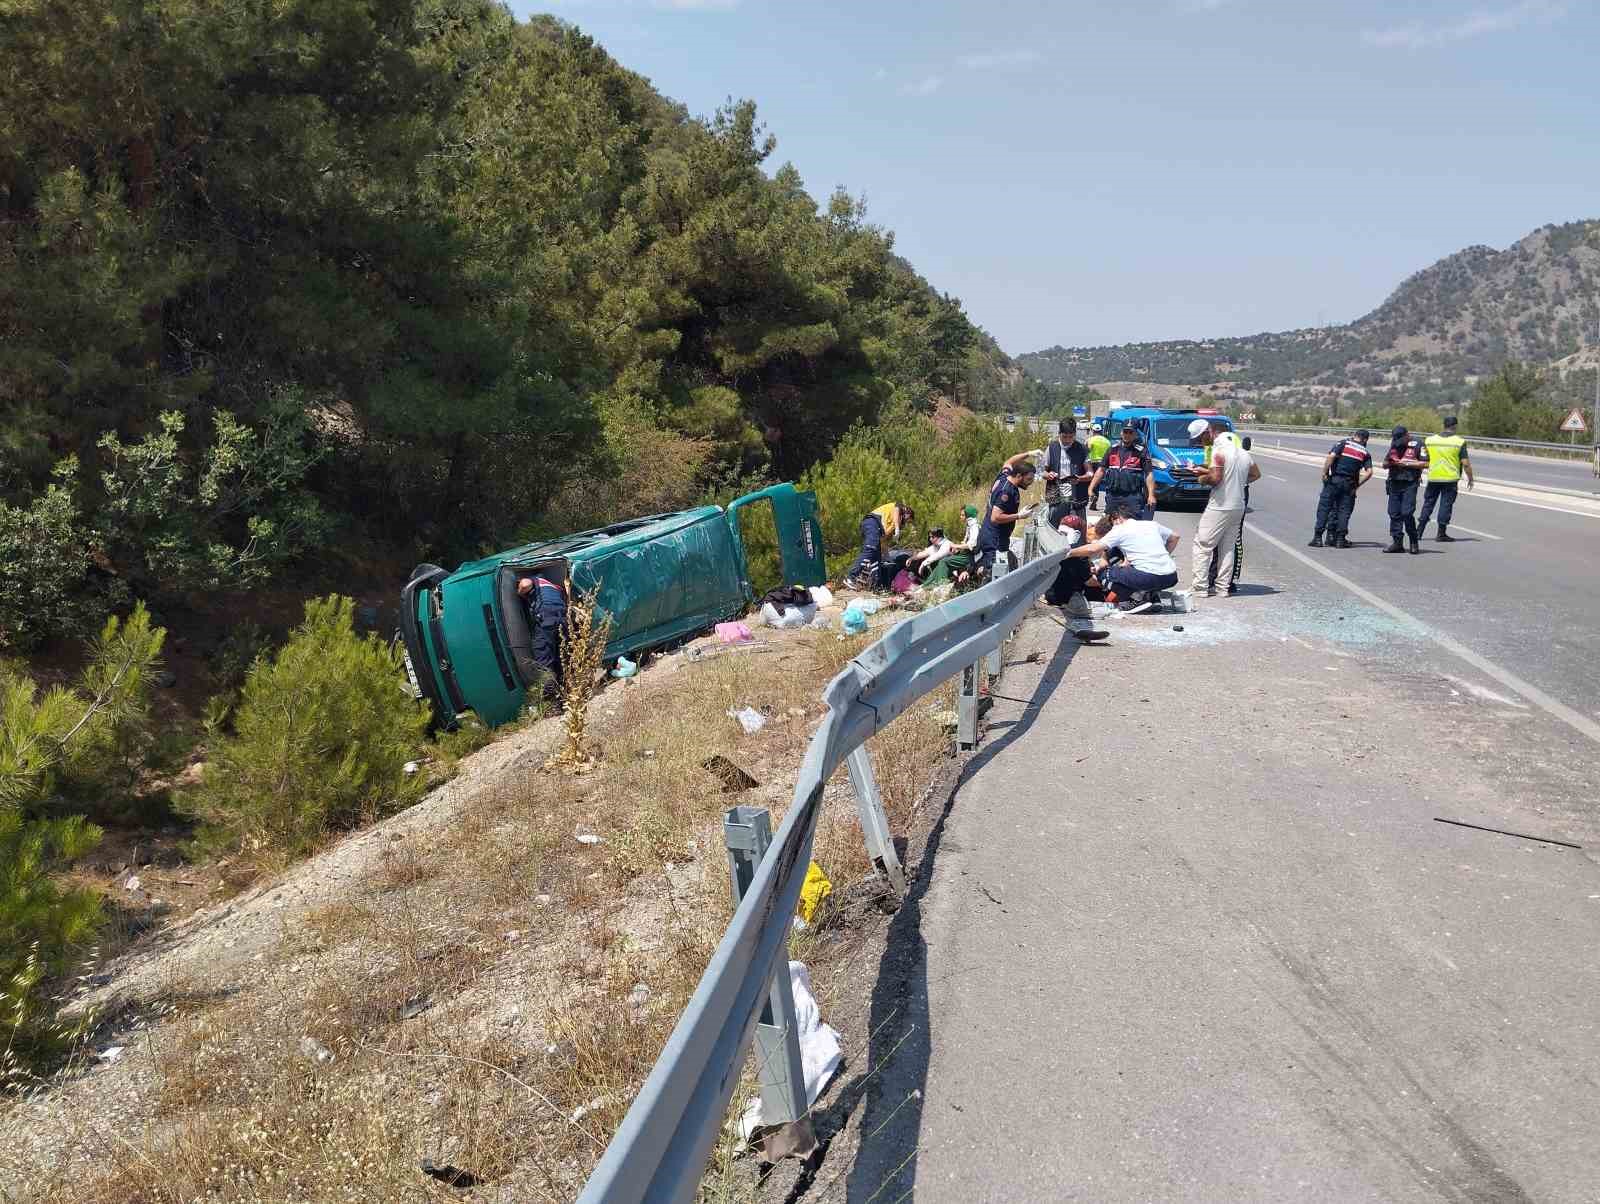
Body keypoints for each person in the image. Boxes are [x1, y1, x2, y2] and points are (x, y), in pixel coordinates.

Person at [1186, 419, 1258, 597]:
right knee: (1227, 547)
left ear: (1207, 432)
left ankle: (1200, 588)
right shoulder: (1242, 452)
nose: (1201, 443)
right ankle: (1222, 588)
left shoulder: (1219, 451)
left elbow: (1216, 478)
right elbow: (1256, 474)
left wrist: (1201, 478)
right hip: (1238, 504)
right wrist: (1237, 482)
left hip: (1219, 505)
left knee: (1203, 545)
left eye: (1200, 439)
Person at [1065, 503, 1180, 613]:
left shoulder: (1119, 529)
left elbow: (1093, 549)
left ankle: (1133, 600)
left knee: (1103, 573)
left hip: (1147, 577)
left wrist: (1069, 552)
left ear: (1118, 518)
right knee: (1135, 575)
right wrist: (1163, 556)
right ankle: (1149, 595)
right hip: (1171, 577)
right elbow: (1175, 537)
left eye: (1112, 522)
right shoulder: (1152, 524)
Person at [1308, 429, 1373, 548]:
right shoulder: (1365, 452)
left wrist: (1324, 472)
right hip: (1350, 484)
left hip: (1334, 481)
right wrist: (1357, 485)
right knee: (1344, 511)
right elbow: (1369, 472)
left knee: (1325, 508)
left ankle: (1318, 538)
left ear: (1354, 436)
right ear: (1365, 440)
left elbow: (1331, 456)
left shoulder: (1343, 444)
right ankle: (1340, 540)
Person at [974, 458, 1036, 580]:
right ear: (1018, 476)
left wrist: (1030, 453)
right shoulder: (1006, 491)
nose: (1030, 483)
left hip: (993, 534)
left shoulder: (1004, 476)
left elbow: (1009, 461)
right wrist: (1019, 516)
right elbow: (995, 517)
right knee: (994, 574)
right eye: (1029, 479)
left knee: (997, 570)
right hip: (994, 538)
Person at [1418, 415, 1474, 541]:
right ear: (1455, 426)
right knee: (1445, 505)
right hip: (1450, 479)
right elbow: (1465, 463)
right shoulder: (1459, 442)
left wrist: (1420, 473)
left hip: (1433, 477)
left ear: (1444, 425)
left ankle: (1419, 531)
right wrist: (1470, 478)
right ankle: (1441, 534)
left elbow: (1424, 459)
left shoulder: (1430, 440)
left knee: (1428, 504)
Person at [1087, 424, 1156, 521]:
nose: (1127, 435)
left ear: (1135, 434)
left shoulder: (1142, 452)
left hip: (1132, 496)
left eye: (1130, 432)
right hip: (1113, 496)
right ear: (1121, 433)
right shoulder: (1112, 449)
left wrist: (1151, 495)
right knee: (1108, 525)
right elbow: (1101, 470)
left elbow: (1149, 474)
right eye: (1125, 432)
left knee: (1133, 526)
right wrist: (1091, 488)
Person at [517, 574, 568, 702]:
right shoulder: (554, 587)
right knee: (560, 659)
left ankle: (553, 702)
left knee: (544, 662)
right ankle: (567, 694)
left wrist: (520, 593)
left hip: (547, 620)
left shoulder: (534, 580)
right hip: (563, 621)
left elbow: (524, 584)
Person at [843, 500, 913, 590]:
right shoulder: (899, 507)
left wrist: (887, 556)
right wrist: (897, 528)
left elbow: (882, 541)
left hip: (877, 530)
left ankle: (876, 586)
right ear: (906, 513)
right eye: (908, 519)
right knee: (870, 549)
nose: (906, 522)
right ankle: (851, 577)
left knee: (876, 558)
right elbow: (897, 510)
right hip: (872, 522)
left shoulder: (892, 525)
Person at [1383, 425, 1429, 554]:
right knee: (1393, 513)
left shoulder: (1418, 443)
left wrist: (1407, 463)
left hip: (1410, 482)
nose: (1399, 442)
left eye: (1400, 439)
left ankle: (1413, 541)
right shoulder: (1395, 444)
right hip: (1394, 482)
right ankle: (1397, 543)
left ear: (1407, 435)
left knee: (1407, 513)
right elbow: (1385, 463)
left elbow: (1426, 463)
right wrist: (1392, 463)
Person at [1041, 419, 1090, 526]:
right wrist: (1048, 475)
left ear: (1075, 435)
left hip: (1077, 498)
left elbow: (1090, 473)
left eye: (1071, 437)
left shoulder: (1082, 449)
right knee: (1054, 529)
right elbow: (1043, 472)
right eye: (1064, 437)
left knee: (1078, 530)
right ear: (1059, 434)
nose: (1067, 440)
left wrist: (1080, 478)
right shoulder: (1052, 447)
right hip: (1056, 497)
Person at [1086, 422, 1110, 512]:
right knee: (1103, 483)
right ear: (1101, 431)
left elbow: (1087, 450)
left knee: (1093, 482)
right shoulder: (1107, 441)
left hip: (1093, 463)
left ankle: (1093, 497)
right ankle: (1106, 501)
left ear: (1093, 431)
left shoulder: (1091, 440)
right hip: (1104, 464)